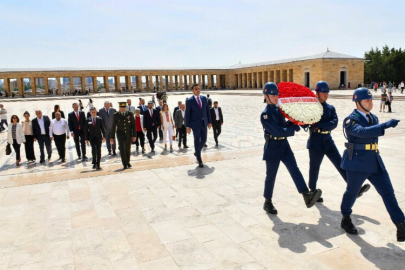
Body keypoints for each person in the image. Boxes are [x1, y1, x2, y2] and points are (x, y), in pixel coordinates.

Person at [340, 87, 405, 241]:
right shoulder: (350, 120)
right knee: (352, 192)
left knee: (388, 193)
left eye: (371, 100)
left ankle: (401, 224)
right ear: (358, 102)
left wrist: (381, 125)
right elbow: (362, 132)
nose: (370, 103)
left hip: (375, 161)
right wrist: (384, 126)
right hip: (357, 163)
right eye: (366, 100)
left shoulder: (374, 118)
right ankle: (346, 217)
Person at [260, 82, 322, 215]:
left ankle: (306, 194)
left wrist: (297, 121)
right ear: (266, 96)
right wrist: (293, 128)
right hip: (272, 146)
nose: (276, 97)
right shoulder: (265, 115)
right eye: (273, 95)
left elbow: (285, 124)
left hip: (284, 145)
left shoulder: (279, 110)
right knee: (271, 176)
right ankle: (267, 201)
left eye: (277, 94)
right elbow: (278, 131)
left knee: (294, 169)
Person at [306, 81, 370, 202]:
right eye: (323, 92)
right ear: (317, 93)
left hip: (328, 140)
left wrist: (319, 125)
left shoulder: (330, 108)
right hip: (315, 141)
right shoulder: (311, 108)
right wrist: (318, 125)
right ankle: (312, 192)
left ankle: (354, 188)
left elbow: (334, 123)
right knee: (314, 167)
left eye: (327, 92)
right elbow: (309, 122)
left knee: (341, 164)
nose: (326, 94)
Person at [185, 84, 212, 167]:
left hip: (204, 123)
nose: (198, 90)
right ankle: (199, 159)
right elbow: (187, 114)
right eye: (196, 89)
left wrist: (209, 122)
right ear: (192, 90)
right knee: (197, 140)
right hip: (195, 124)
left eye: (199, 89)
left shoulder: (204, 99)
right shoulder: (189, 100)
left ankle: (197, 152)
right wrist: (187, 126)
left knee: (204, 140)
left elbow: (207, 111)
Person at [111, 102, 136, 169]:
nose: (123, 109)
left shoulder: (130, 114)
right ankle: (124, 163)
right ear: (119, 108)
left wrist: (134, 135)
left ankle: (128, 162)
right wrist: (112, 137)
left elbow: (133, 125)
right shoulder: (116, 115)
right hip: (120, 134)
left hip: (128, 134)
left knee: (128, 149)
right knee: (122, 149)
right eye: (121, 107)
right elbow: (113, 126)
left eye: (124, 107)